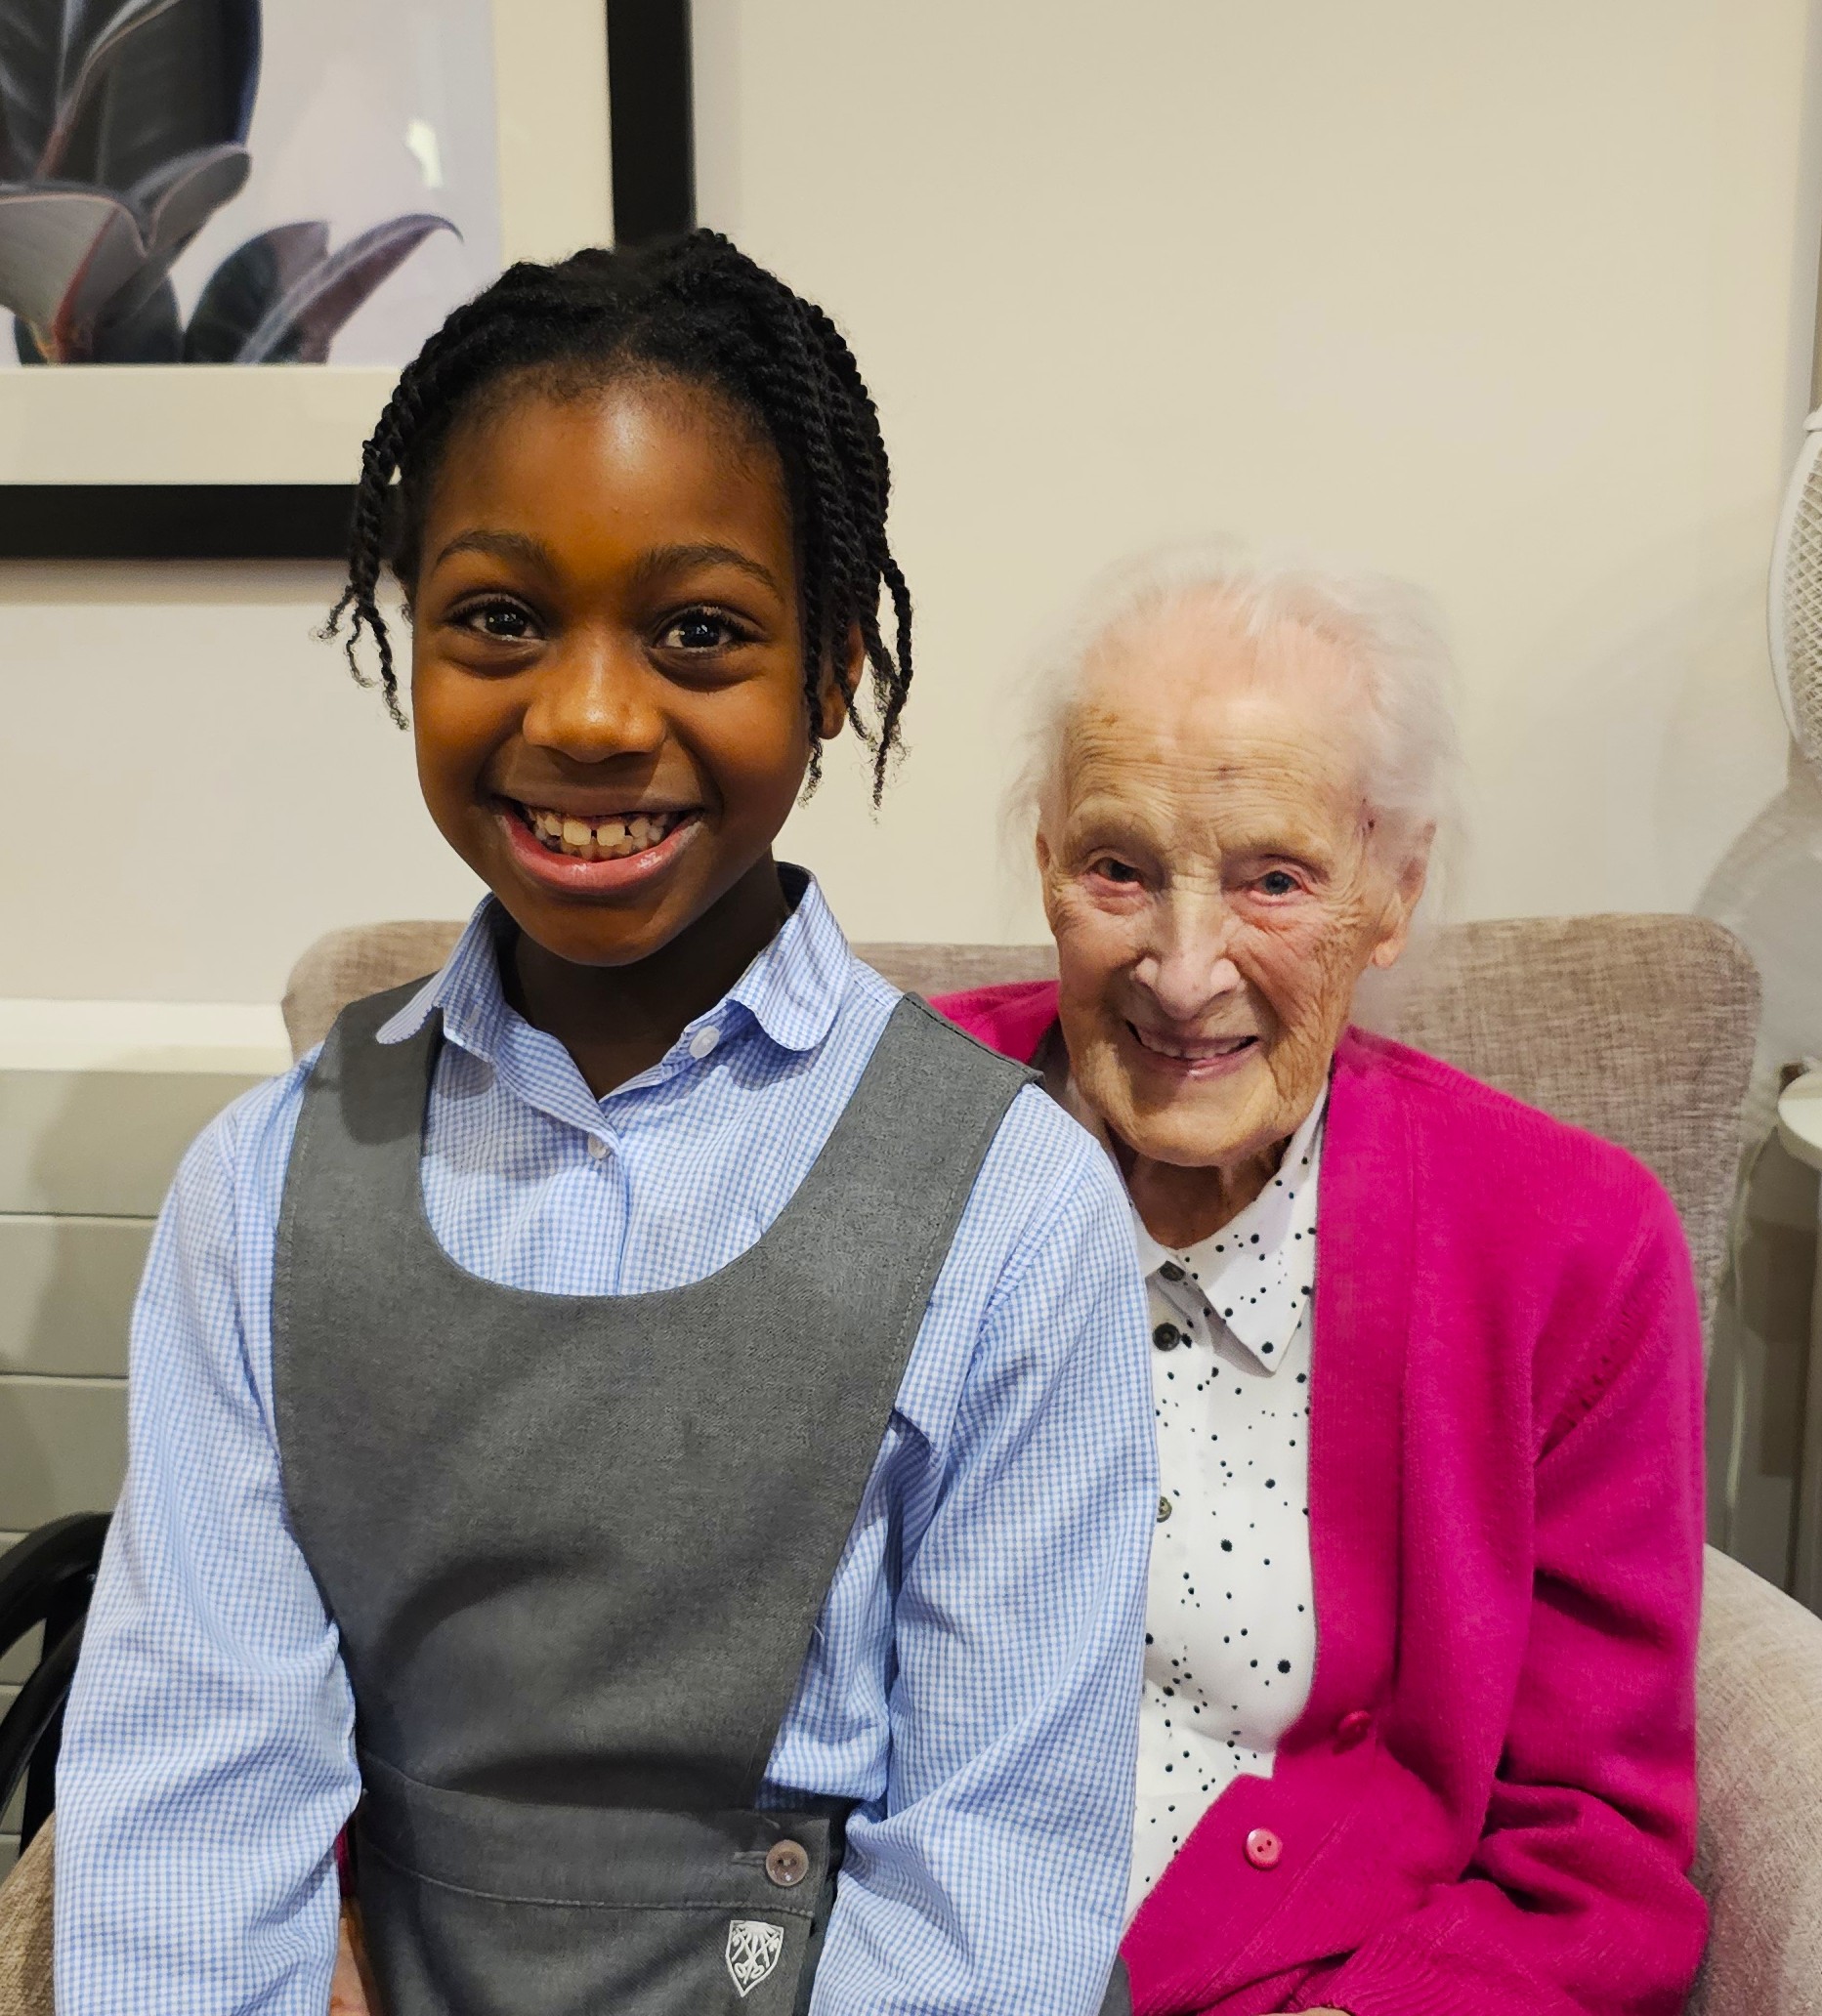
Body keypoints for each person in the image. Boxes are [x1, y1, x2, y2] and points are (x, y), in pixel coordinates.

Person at [53, 234, 1157, 2016]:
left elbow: (997, 1870)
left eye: (698, 630)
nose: (583, 715)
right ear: (406, 634)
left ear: (836, 667)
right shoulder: (257, 1196)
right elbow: (195, 1807)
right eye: (499, 617)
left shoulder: (1012, 1210)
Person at [935, 546, 1708, 2016]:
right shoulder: (880, 1132)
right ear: (1045, 863)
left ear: (1390, 892)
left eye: (1273, 880)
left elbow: (1592, 1848)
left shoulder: (1568, 1248)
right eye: (1118, 868)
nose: (1183, 971)